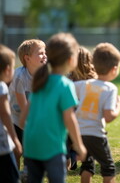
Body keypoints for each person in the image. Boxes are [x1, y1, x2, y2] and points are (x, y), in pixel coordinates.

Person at [23, 33, 87, 183]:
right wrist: (79, 146)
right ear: (71, 60)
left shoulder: (39, 81)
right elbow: (70, 118)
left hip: (31, 144)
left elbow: (23, 116)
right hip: (52, 146)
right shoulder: (65, 85)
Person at [74, 42, 120, 183]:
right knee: (108, 167)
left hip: (80, 133)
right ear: (114, 69)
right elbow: (108, 117)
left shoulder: (83, 84)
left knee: (87, 165)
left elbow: (66, 88)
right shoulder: (110, 88)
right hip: (96, 134)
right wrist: (118, 105)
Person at [8, 39, 46, 169]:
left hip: (32, 119)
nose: (45, 55)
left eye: (45, 52)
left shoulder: (44, 75)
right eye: (40, 53)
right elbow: (24, 108)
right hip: (14, 119)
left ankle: (27, 174)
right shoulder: (20, 77)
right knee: (16, 152)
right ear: (27, 58)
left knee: (31, 154)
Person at [67, 46, 97, 170]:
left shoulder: (67, 80)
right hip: (88, 122)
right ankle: (76, 159)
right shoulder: (94, 81)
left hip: (69, 120)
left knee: (69, 143)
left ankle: (71, 158)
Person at [0, 44, 22, 183]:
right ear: (8, 69)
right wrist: (15, 140)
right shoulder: (1, 86)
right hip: (2, 146)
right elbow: (5, 114)